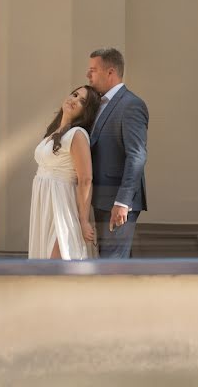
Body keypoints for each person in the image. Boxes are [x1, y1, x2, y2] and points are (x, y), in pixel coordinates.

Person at [85, 48, 149, 258]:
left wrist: (122, 202)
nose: (88, 75)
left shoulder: (131, 105)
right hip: (101, 199)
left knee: (112, 265)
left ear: (110, 72)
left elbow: (137, 155)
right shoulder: (99, 104)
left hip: (118, 202)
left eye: (93, 70)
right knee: (114, 263)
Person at [28, 85, 101, 260]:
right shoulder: (53, 132)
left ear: (86, 111)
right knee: (45, 263)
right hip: (45, 204)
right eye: (74, 94)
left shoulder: (78, 134)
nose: (74, 100)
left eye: (82, 101)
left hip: (63, 205)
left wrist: (83, 220)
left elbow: (85, 179)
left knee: (59, 261)